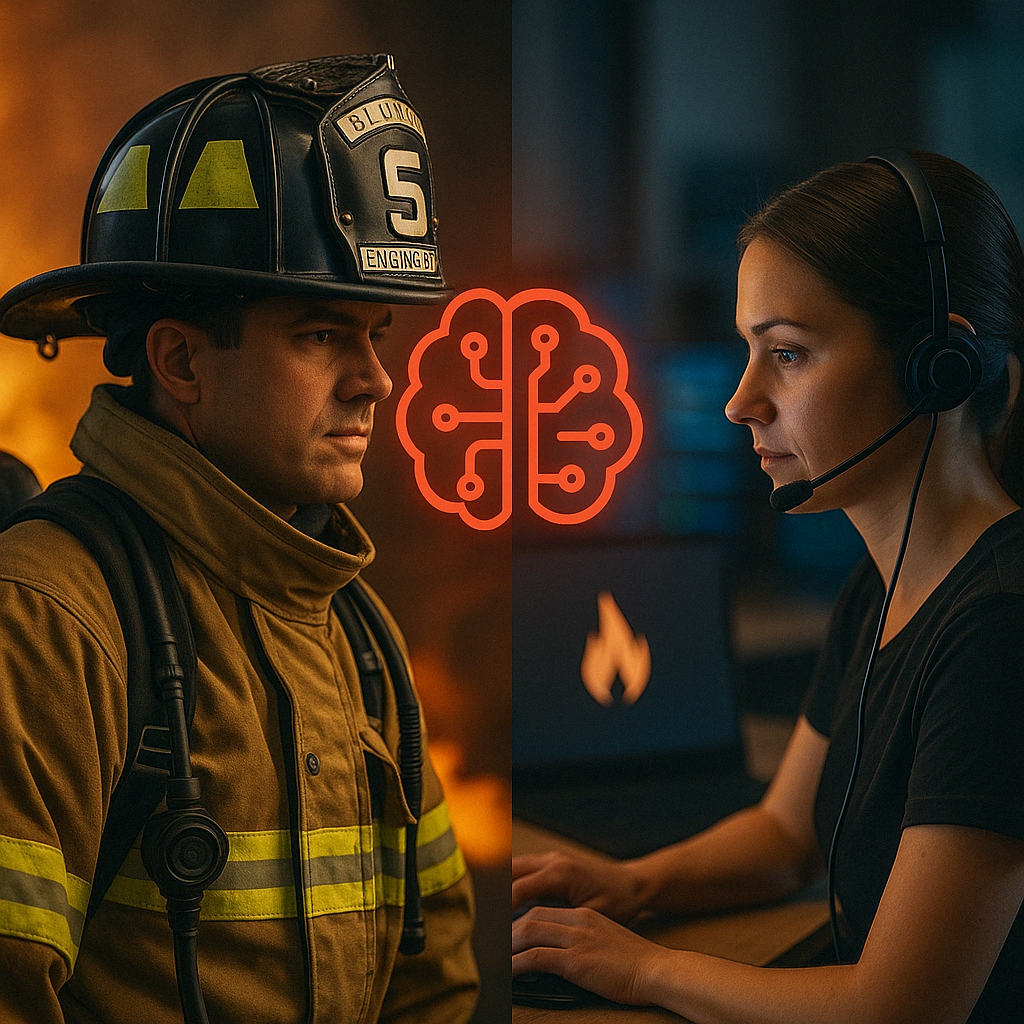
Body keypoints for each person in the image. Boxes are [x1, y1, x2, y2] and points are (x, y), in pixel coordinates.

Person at [0, 57, 478, 1023]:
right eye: (318, 334)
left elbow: (436, 979)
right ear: (180, 359)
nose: (374, 380)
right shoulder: (47, 620)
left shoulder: (355, 628)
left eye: (376, 334)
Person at [512, 150, 1024, 1024]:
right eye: (749, 352)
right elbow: (786, 837)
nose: (741, 401)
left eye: (788, 353)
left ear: (938, 363)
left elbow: (899, 1007)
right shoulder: (885, 584)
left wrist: (642, 971)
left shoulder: (1000, 630)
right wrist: (631, 884)